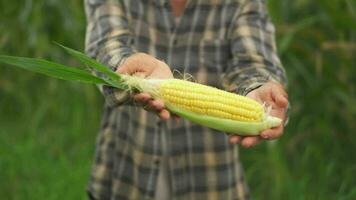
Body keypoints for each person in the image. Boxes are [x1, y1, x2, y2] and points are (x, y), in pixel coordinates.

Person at [84, 0, 289, 199]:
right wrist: (129, 71)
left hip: (210, 180)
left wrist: (259, 88)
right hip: (128, 170)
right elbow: (105, 44)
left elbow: (253, 61)